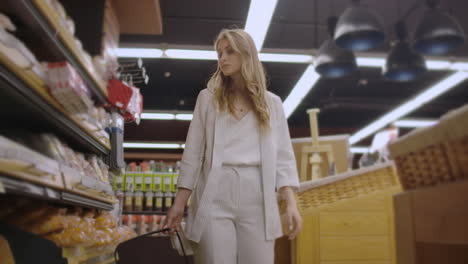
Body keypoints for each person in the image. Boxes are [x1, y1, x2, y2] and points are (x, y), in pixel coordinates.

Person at [163, 28, 302, 264]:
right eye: (219, 53)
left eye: (229, 51)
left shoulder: (272, 104)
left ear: (246, 54)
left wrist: (291, 203)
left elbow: (283, 157)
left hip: (258, 196)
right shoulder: (207, 99)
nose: (222, 58)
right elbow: (193, 154)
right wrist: (179, 205)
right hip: (215, 194)